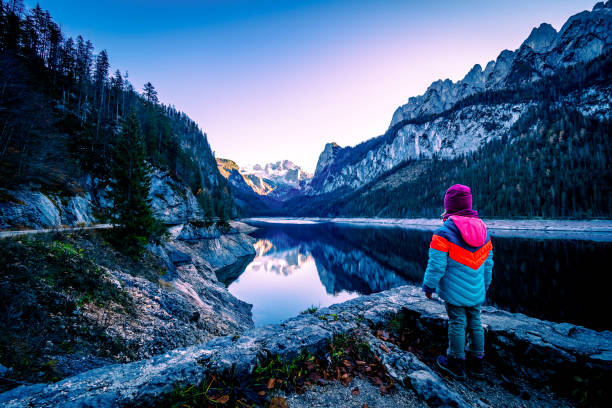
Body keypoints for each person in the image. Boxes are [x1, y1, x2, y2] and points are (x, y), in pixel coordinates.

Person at [422, 184, 493, 379]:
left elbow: (436, 266)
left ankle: (455, 362)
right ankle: (477, 363)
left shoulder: (443, 233)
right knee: (476, 322)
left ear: (449, 207)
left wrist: (428, 287)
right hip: (477, 290)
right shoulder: (484, 231)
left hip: (454, 292)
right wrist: (484, 286)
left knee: (457, 322)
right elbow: (488, 264)